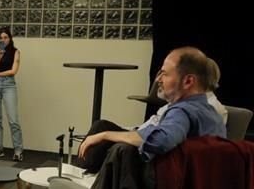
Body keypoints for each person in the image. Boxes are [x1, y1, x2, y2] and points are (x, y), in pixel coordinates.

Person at [78, 47, 227, 173]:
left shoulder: (183, 111)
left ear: (188, 81)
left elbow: (160, 140)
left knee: (123, 151)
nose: (158, 79)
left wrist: (106, 135)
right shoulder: (210, 114)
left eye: (165, 74)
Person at [0, 26, 24, 161]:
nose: (3, 40)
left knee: (13, 119)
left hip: (8, 84)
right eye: (1, 38)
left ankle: (18, 150)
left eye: (6, 37)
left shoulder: (15, 52)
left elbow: (13, 71)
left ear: (10, 38)